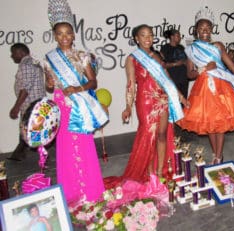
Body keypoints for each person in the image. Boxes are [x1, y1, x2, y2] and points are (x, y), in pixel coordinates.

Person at [104, 24, 188, 189]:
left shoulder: (157, 57)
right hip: (146, 101)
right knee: (149, 137)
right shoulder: (132, 58)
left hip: (163, 99)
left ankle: (159, 172)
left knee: (163, 135)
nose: (148, 38)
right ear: (137, 38)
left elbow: (167, 79)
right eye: (143, 35)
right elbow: (130, 84)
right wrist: (128, 106)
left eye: (150, 35)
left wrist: (180, 96)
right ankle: (149, 174)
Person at [45, 0, 109, 204]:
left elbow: (93, 82)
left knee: (83, 144)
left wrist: (76, 89)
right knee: (65, 148)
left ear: (73, 35)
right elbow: (50, 87)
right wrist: (48, 83)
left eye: (68, 33)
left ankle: (90, 190)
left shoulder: (83, 56)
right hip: (61, 106)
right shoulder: (49, 59)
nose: (64, 37)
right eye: (60, 33)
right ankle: (72, 192)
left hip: (79, 106)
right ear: (55, 36)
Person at [177, 6, 234, 165]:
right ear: (196, 29)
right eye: (201, 27)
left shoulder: (218, 46)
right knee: (211, 124)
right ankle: (215, 153)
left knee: (220, 123)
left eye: (208, 27)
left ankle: (219, 155)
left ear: (211, 29)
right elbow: (189, 74)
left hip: (221, 87)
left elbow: (230, 65)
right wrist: (203, 69)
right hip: (203, 88)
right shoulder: (191, 50)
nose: (205, 30)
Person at [7, 43, 46, 161]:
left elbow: (25, 88)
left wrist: (16, 107)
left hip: (31, 104)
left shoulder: (26, 65)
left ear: (20, 52)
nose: (12, 56)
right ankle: (19, 153)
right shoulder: (33, 62)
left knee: (28, 130)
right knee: (30, 130)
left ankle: (20, 154)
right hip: (34, 104)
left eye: (13, 53)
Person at [160, 29, 189, 99]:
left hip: (183, 79)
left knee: (183, 100)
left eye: (179, 36)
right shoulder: (165, 48)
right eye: (177, 36)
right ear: (172, 37)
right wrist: (175, 64)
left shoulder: (181, 47)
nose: (179, 37)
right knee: (174, 100)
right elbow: (162, 65)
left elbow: (186, 60)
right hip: (173, 79)